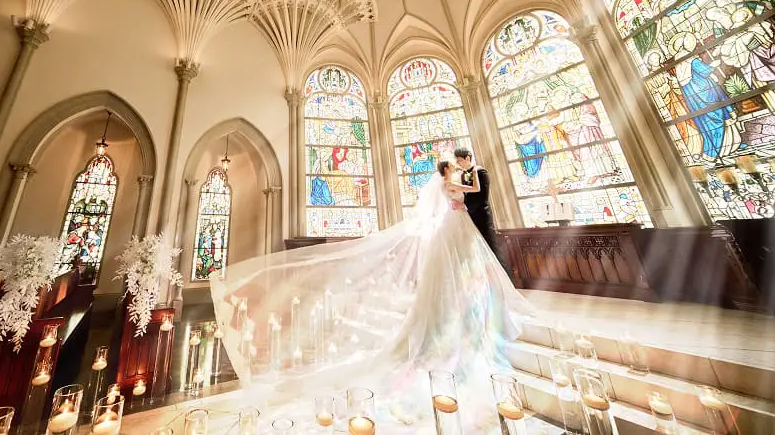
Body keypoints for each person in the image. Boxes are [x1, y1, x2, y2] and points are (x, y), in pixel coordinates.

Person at [209, 159, 535, 431]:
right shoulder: (454, 184)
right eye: (455, 166)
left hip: (453, 229)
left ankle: (457, 311)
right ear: (448, 171)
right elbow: (470, 193)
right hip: (456, 227)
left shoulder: (445, 186)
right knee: (454, 278)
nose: (459, 169)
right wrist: (466, 180)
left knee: (455, 277)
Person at [453, 148, 505, 267]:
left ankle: (506, 283)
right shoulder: (464, 174)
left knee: (492, 249)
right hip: (469, 217)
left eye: (460, 160)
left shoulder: (481, 172)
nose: (458, 163)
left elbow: (482, 197)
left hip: (482, 217)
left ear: (467, 158)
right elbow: (467, 193)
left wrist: (464, 205)